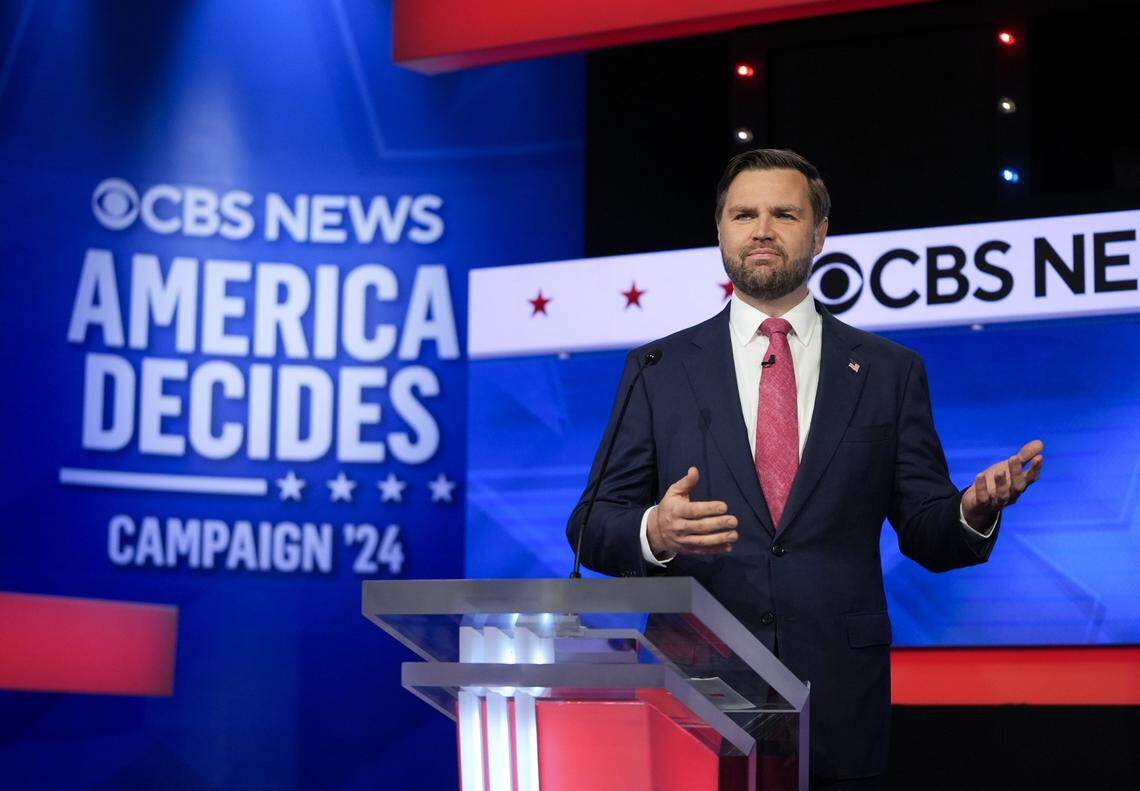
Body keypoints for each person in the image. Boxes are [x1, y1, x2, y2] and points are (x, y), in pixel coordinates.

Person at [566, 149, 1044, 789]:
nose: (762, 230)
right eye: (744, 215)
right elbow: (591, 524)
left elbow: (926, 530)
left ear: (819, 234)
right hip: (696, 695)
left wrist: (971, 511)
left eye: (784, 214)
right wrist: (654, 531)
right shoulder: (657, 368)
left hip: (837, 699)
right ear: (720, 231)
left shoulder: (888, 372)